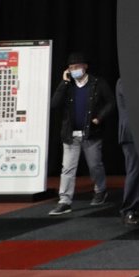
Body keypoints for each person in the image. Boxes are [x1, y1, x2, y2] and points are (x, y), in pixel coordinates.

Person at [49, 52, 115, 215]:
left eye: (77, 67)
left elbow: (111, 102)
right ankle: (64, 201)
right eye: (71, 68)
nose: (74, 70)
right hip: (70, 135)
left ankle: (100, 190)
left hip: (90, 133)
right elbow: (54, 104)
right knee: (67, 169)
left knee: (95, 165)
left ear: (85, 66)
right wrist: (64, 82)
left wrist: (99, 118)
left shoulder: (97, 83)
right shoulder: (68, 85)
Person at [116, 78, 139, 226]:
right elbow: (136, 102)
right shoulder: (124, 80)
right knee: (135, 172)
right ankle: (128, 211)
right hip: (131, 134)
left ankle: (136, 207)